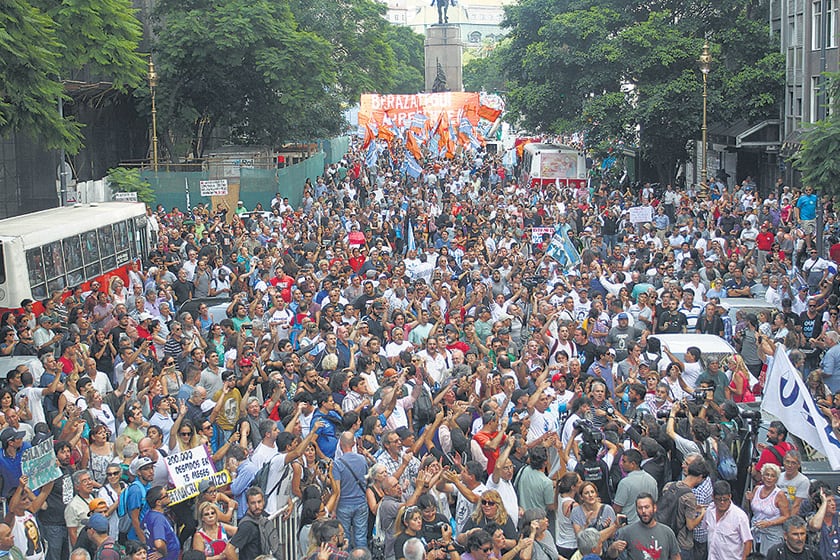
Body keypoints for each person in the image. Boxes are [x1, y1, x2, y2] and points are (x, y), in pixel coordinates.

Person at [606, 493, 679, 560]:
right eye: (640, 508)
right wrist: (613, 547)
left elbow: (675, 557)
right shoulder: (626, 532)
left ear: (654, 508)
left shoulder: (667, 532)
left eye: (647, 507)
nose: (643, 511)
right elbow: (611, 556)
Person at [705, 481, 753, 560]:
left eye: (725, 499)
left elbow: (748, 542)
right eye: (718, 499)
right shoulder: (709, 511)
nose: (722, 503)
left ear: (730, 496)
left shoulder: (739, 516)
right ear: (713, 497)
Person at [612, 449, 658, 525]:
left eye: (624, 461)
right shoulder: (652, 480)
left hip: (629, 525)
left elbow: (617, 508)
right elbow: (654, 501)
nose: (621, 464)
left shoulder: (625, 483)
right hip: (648, 523)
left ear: (633, 464)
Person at [142, 486, 180, 560]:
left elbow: (142, 529)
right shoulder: (158, 519)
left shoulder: (149, 514)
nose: (169, 496)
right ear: (158, 502)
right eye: (166, 495)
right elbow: (159, 543)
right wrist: (163, 553)